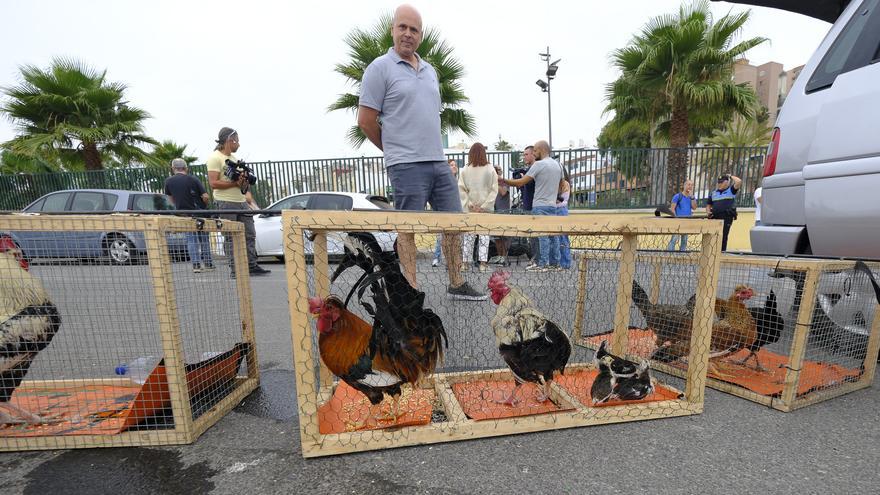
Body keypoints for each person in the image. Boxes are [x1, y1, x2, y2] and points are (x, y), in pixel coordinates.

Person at [358, 4, 484, 300]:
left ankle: (456, 282)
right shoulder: (379, 68)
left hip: (438, 162)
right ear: (393, 30)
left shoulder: (430, 71)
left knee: (454, 223)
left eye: (414, 29)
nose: (408, 34)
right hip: (405, 165)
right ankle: (411, 288)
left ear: (421, 35)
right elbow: (365, 121)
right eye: (402, 27)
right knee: (408, 228)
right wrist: (395, 151)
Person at [206, 127, 270, 277]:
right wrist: (234, 184)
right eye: (237, 141)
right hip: (225, 202)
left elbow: (241, 185)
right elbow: (213, 183)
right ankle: (236, 269)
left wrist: (243, 183)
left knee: (250, 234)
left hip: (241, 201)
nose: (239, 145)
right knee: (230, 236)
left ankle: (251, 265)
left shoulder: (235, 160)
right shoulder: (215, 158)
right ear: (230, 140)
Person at [502, 140, 563, 272]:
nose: (534, 153)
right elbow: (562, 184)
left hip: (540, 205)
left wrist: (504, 180)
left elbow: (520, 183)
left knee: (542, 235)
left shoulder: (539, 165)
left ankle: (543, 263)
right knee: (554, 234)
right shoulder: (558, 165)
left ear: (541, 150)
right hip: (552, 205)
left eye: (535, 150)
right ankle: (555, 263)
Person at [164, 158, 215, 273]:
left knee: (191, 239)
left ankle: (196, 266)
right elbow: (205, 196)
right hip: (199, 213)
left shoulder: (168, 181)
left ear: (173, 168)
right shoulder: (193, 179)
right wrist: (204, 205)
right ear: (186, 168)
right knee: (204, 239)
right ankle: (208, 264)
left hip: (183, 214)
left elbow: (171, 198)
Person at [458, 143, 498, 273]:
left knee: (468, 236)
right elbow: (494, 190)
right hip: (485, 210)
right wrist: (485, 206)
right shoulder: (490, 169)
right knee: (484, 236)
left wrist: (470, 204)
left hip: (470, 209)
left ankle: (465, 263)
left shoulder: (465, 169)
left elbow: (461, 190)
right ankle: (482, 264)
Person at [516, 145, 540, 267]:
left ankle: (536, 259)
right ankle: (535, 258)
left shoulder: (535, 169)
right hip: (527, 205)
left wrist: (523, 180)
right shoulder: (529, 170)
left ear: (532, 154)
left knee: (535, 235)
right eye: (523, 154)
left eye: (526, 154)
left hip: (533, 206)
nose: (524, 156)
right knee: (531, 235)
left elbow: (533, 187)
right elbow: (525, 189)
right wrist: (521, 183)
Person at [433, 158, 459, 267]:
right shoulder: (442, 182)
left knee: (453, 238)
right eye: (451, 165)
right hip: (443, 212)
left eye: (455, 165)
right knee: (441, 236)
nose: (453, 166)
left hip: (455, 213)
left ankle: (452, 260)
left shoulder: (458, 181)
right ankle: (437, 257)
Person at [706, 173, 742, 251]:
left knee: (723, 236)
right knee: (713, 235)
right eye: (719, 182)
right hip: (714, 217)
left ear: (727, 182)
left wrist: (730, 176)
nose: (719, 184)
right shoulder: (714, 193)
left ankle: (722, 253)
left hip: (726, 217)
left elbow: (738, 181)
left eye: (721, 182)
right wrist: (708, 212)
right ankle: (712, 252)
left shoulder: (731, 190)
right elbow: (709, 204)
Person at [667, 179, 697, 251]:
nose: (690, 186)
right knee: (674, 239)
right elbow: (672, 209)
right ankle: (670, 254)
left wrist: (692, 197)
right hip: (678, 221)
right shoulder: (677, 196)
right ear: (684, 186)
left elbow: (694, 207)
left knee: (684, 240)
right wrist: (676, 219)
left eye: (692, 185)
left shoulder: (692, 197)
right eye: (688, 184)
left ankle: (682, 255)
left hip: (687, 222)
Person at [491, 164, 511, 265]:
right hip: (494, 212)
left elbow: (503, 192)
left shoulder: (504, 182)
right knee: (497, 237)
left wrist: (497, 181)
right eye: (496, 170)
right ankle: (499, 256)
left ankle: (504, 256)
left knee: (504, 236)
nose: (498, 171)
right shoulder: (491, 182)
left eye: (499, 169)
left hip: (504, 212)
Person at [556, 167, 571, 269]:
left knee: (563, 238)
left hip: (561, 211)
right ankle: (557, 262)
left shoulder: (565, 183)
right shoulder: (553, 182)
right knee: (555, 238)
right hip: (555, 210)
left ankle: (565, 263)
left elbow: (564, 201)